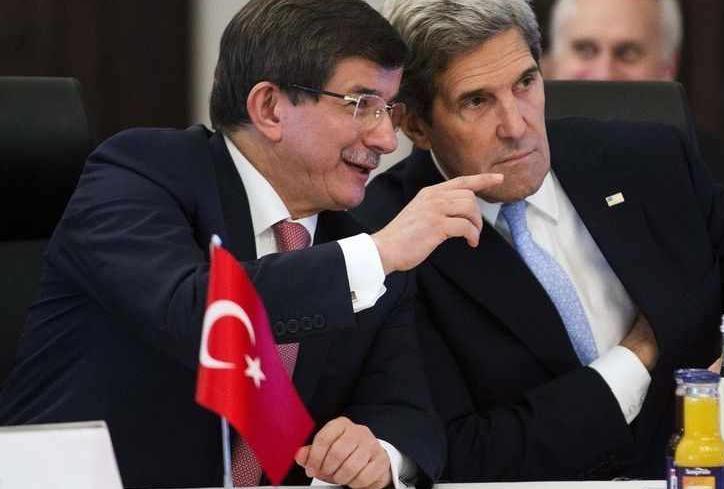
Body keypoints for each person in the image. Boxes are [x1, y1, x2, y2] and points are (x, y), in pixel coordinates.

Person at [355, 0, 724, 481]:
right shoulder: (386, 238)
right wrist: (633, 359)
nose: (517, 125)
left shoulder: (646, 163)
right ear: (416, 125)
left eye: (525, 83)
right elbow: (459, 451)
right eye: (476, 101)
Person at [0, 0, 502, 487]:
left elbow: (409, 415)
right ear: (269, 108)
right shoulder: (140, 172)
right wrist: (377, 255)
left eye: (388, 109)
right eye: (361, 105)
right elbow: (196, 310)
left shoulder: (357, 248)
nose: (386, 139)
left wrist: (379, 452)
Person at [542, 0, 724, 222]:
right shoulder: (514, 170)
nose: (604, 74)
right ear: (549, 64)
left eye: (628, 53)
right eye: (585, 50)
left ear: (667, 68)